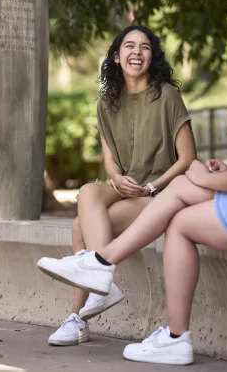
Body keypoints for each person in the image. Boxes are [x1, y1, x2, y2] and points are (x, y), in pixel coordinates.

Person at [37, 4, 227, 364]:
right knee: (86, 206)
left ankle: (105, 271)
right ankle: (93, 292)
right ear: (116, 57)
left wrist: (185, 177)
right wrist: (211, 171)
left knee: (175, 202)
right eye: (129, 46)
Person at [45, 25, 196, 346]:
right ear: (116, 57)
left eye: (144, 47)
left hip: (159, 191)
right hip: (125, 184)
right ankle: (102, 280)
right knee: (87, 191)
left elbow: (187, 158)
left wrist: (154, 185)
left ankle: (77, 317)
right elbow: (110, 161)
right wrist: (116, 179)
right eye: (129, 46)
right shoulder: (107, 103)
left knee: (77, 228)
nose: (136, 52)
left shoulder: (166, 95)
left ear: (151, 56)